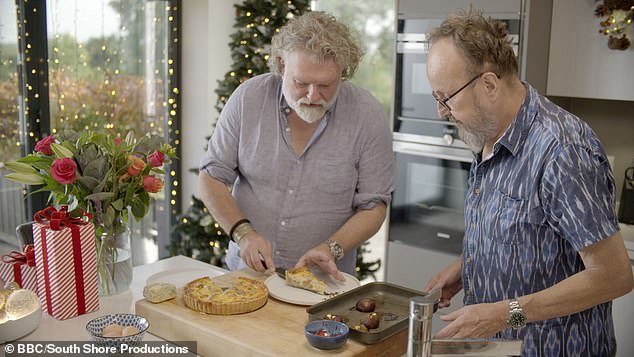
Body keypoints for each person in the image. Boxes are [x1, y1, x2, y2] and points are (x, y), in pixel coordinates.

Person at [422, 8, 634, 356]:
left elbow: (614, 276)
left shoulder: (562, 150)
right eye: (436, 97)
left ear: (489, 85)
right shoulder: (488, 134)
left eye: (446, 97)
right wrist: (466, 266)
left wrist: (506, 314)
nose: (441, 111)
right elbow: (525, 233)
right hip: (496, 347)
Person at [198, 11, 393, 279]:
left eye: (325, 84)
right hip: (248, 276)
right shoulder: (248, 99)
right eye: (301, 83)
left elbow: (374, 206)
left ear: (343, 73)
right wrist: (244, 234)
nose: (313, 96)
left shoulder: (367, 115)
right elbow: (211, 178)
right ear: (281, 65)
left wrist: (331, 248)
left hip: (323, 283)